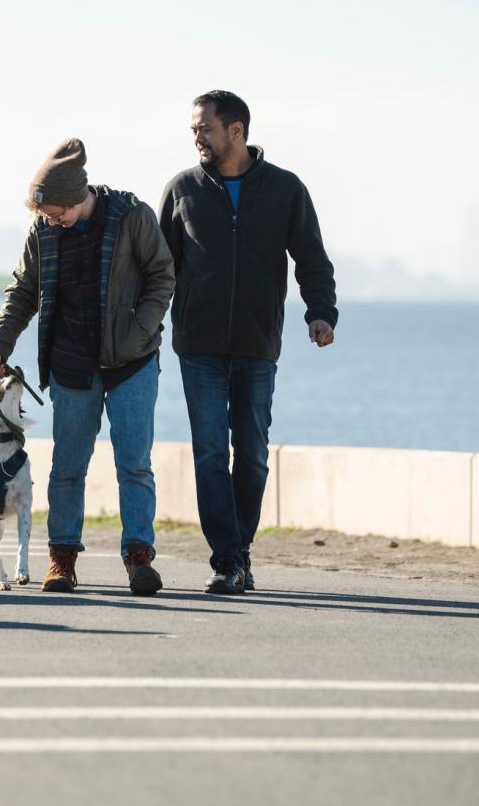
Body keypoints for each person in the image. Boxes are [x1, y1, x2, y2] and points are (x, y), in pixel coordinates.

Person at [158, 89, 338, 594]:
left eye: (205, 128)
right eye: (194, 129)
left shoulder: (284, 189)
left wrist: (320, 313)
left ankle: (239, 553)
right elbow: (157, 268)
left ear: (236, 131)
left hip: (259, 344)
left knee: (253, 454)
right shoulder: (182, 190)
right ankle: (228, 560)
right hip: (199, 346)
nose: (197, 137)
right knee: (211, 452)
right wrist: (145, 329)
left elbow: (312, 258)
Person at [0, 138, 175, 596]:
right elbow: (21, 294)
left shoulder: (133, 216)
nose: (51, 219)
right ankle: (62, 560)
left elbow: (162, 276)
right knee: (68, 466)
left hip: (132, 362)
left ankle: (139, 559)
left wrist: (138, 332)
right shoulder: (43, 231)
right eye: (45, 213)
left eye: (56, 211)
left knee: (134, 464)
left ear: (78, 196)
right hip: (72, 365)